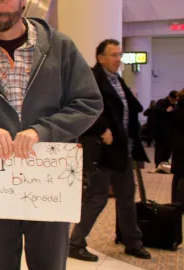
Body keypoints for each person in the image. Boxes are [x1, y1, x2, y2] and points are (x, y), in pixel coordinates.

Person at [0, 0, 103, 268]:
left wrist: (43, 131)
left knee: (49, 263)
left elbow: (88, 103)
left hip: (48, 181)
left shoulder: (60, 47)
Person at [68, 39, 151, 262]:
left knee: (126, 196)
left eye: (119, 55)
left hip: (123, 149)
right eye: (113, 55)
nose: (118, 59)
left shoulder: (117, 80)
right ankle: (75, 243)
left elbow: (127, 109)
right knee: (97, 198)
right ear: (101, 57)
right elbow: (81, 107)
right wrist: (102, 127)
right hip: (102, 150)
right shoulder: (92, 78)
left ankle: (132, 241)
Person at [153, 90, 178, 168]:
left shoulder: (175, 105)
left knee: (168, 147)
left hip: (170, 130)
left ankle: (165, 162)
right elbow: (156, 110)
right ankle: (158, 163)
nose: (174, 102)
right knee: (160, 147)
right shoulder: (161, 102)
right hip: (160, 130)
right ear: (170, 97)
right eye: (173, 100)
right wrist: (166, 111)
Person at [171, 89, 184, 203]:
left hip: (178, 145)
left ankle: (175, 202)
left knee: (178, 176)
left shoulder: (176, 109)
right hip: (181, 145)